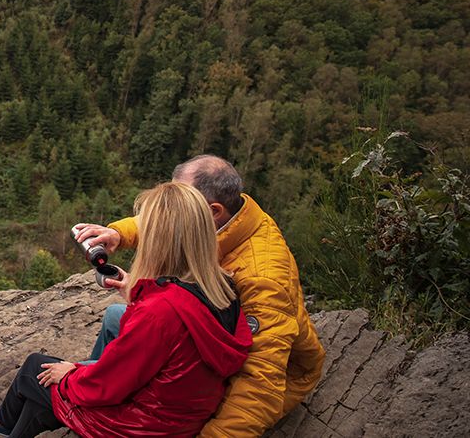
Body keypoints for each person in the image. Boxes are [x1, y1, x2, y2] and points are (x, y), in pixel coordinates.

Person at [0, 182, 252, 438]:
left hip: (143, 425)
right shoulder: (223, 286)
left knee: (37, 372)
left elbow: (109, 384)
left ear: (157, 241)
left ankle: (3, 419)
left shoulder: (159, 312)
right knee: (64, 371)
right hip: (181, 413)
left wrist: (72, 374)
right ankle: (14, 422)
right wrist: (137, 290)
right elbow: (177, 326)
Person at [73, 155, 325, 437]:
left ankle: (97, 392)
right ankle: (101, 391)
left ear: (213, 210)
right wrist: (119, 233)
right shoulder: (229, 218)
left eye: (179, 202)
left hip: (245, 374)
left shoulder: (263, 276)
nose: (168, 212)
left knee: (58, 375)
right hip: (214, 333)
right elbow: (169, 220)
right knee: (113, 319)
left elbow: (259, 384)